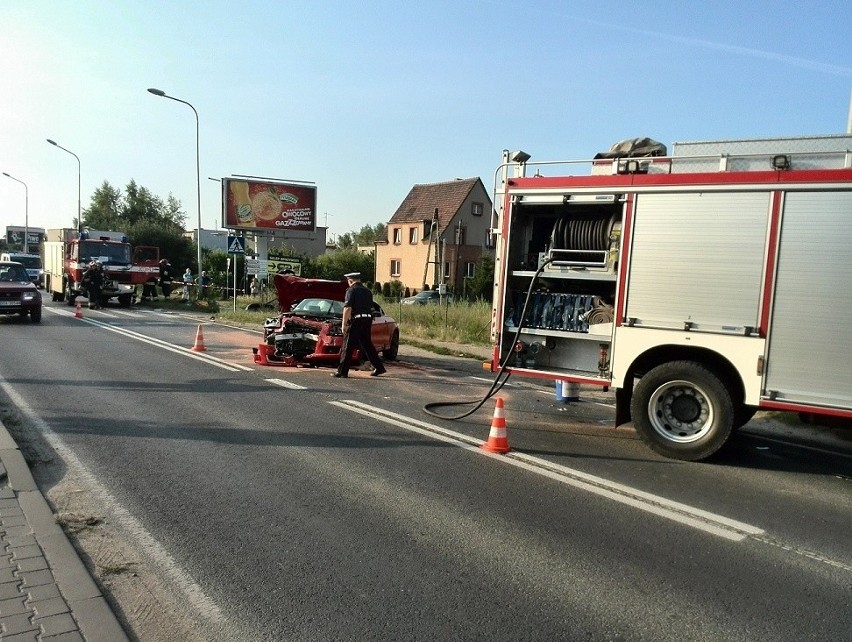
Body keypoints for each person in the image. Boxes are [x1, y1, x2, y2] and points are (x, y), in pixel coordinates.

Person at [332, 272, 386, 378]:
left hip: (356, 320)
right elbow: (371, 306)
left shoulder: (351, 290)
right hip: (367, 320)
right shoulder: (367, 291)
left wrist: (344, 324)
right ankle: (379, 367)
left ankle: (342, 371)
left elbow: (348, 308)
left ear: (350, 281)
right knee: (367, 345)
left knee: (348, 345)